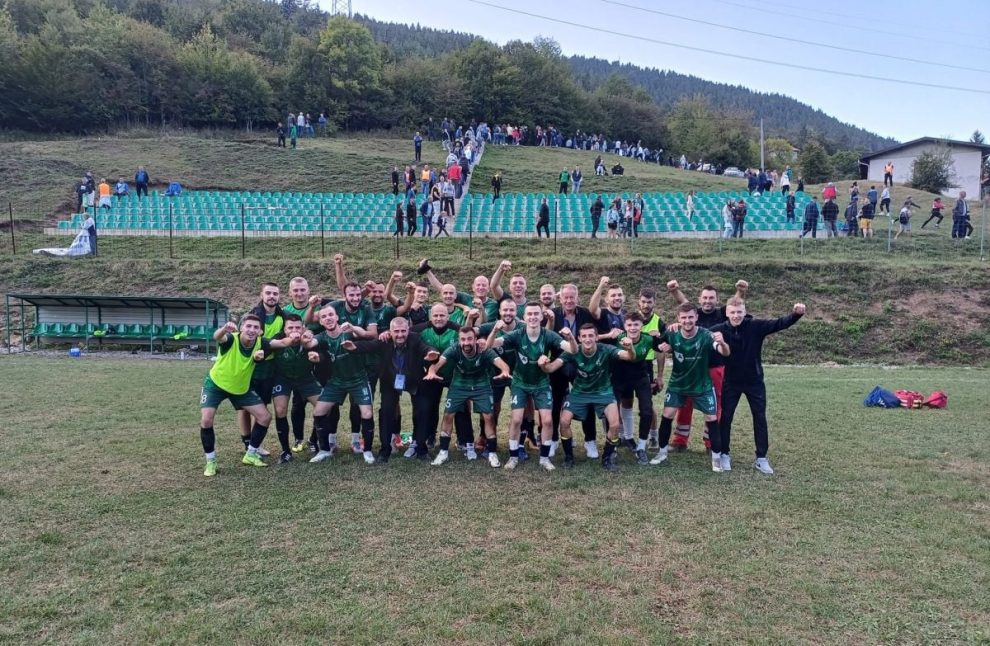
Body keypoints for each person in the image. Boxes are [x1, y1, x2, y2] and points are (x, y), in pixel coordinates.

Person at [711, 298, 805, 475]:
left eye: (739, 312)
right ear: (727, 313)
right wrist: (675, 329)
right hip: (731, 382)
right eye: (733, 312)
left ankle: (761, 458)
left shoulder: (755, 326)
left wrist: (796, 315)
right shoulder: (718, 329)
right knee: (726, 418)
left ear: (744, 312)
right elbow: (697, 333)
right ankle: (724, 454)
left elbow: (779, 323)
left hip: (754, 381)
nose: (736, 316)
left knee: (760, 417)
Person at [486, 303, 576, 471]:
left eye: (536, 314)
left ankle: (544, 458)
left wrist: (570, 337)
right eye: (530, 314)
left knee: (547, 420)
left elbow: (572, 350)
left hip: (541, 383)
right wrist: (494, 331)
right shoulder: (517, 334)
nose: (533, 317)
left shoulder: (548, 335)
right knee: (516, 419)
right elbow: (490, 345)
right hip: (520, 383)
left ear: (541, 317)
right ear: (524, 317)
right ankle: (513, 457)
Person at [666, 279, 748, 451]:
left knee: (714, 405)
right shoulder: (694, 315)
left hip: (715, 367)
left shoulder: (722, 314)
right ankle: (680, 440)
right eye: (705, 298)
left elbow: (735, 305)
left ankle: (711, 443)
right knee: (685, 402)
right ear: (699, 299)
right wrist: (674, 291)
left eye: (711, 298)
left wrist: (741, 291)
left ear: (717, 300)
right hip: (692, 369)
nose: (708, 301)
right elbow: (683, 304)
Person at [540, 323, 636, 470]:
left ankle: (607, 458)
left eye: (591, 335)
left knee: (615, 424)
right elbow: (551, 368)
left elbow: (629, 357)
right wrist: (543, 364)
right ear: (579, 338)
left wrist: (630, 348)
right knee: (564, 421)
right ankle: (569, 457)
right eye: (584, 336)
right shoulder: (573, 351)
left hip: (603, 391)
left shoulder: (606, 349)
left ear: (596, 337)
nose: (587, 339)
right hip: (579, 392)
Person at [340, 316, 432, 463]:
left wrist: (431, 353)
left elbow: (425, 348)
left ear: (408, 330)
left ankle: (421, 449)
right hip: (390, 381)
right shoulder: (385, 340)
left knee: (423, 409)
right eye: (396, 331)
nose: (400, 335)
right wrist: (354, 347)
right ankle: (385, 450)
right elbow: (370, 345)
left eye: (403, 331)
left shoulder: (415, 339)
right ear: (390, 331)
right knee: (386, 412)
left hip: (413, 379)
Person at [650, 303, 730, 468]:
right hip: (678, 385)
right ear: (678, 319)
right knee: (667, 416)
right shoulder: (672, 334)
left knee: (712, 419)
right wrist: (661, 344)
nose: (687, 321)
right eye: (684, 317)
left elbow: (725, 352)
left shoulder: (706, 335)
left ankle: (716, 458)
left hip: (702, 386)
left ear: (696, 317)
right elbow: (658, 345)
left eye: (691, 317)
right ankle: (662, 452)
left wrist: (722, 343)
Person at [197, 315, 277, 477]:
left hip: (241, 388)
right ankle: (211, 461)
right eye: (248, 326)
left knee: (265, 417)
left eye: (256, 327)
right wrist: (223, 329)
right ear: (241, 328)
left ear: (260, 331)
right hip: (215, 384)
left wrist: (296, 336)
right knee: (206, 420)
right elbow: (217, 337)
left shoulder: (260, 343)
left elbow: (280, 343)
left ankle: (251, 454)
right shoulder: (231, 339)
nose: (252, 330)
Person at [425, 327, 510, 468]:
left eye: (470, 339)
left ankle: (492, 453)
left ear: (475, 339)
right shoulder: (454, 349)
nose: (466, 342)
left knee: (489, 416)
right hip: (459, 385)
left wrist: (505, 371)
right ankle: (443, 452)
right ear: (459, 340)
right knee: (448, 415)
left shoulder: (484, 349)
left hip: (481, 385)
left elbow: (502, 364)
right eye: (463, 339)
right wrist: (432, 372)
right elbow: (436, 365)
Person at [304, 306, 375, 464]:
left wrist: (354, 328)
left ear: (337, 317)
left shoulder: (347, 331)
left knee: (367, 414)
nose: (328, 318)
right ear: (321, 322)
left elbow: (365, 335)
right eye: (324, 317)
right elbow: (309, 344)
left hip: (358, 380)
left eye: (331, 315)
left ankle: (368, 450)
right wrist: (306, 336)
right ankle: (324, 450)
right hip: (336, 381)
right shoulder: (322, 337)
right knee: (319, 412)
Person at [269, 314, 320, 463]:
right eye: (290, 328)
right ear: (284, 329)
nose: (294, 331)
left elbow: (320, 345)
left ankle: (313, 440)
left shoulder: (309, 339)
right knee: (280, 410)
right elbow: (268, 344)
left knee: (324, 407)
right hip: (283, 378)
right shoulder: (278, 339)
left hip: (305, 378)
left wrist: (315, 353)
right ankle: (286, 451)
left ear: (303, 328)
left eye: (298, 327)